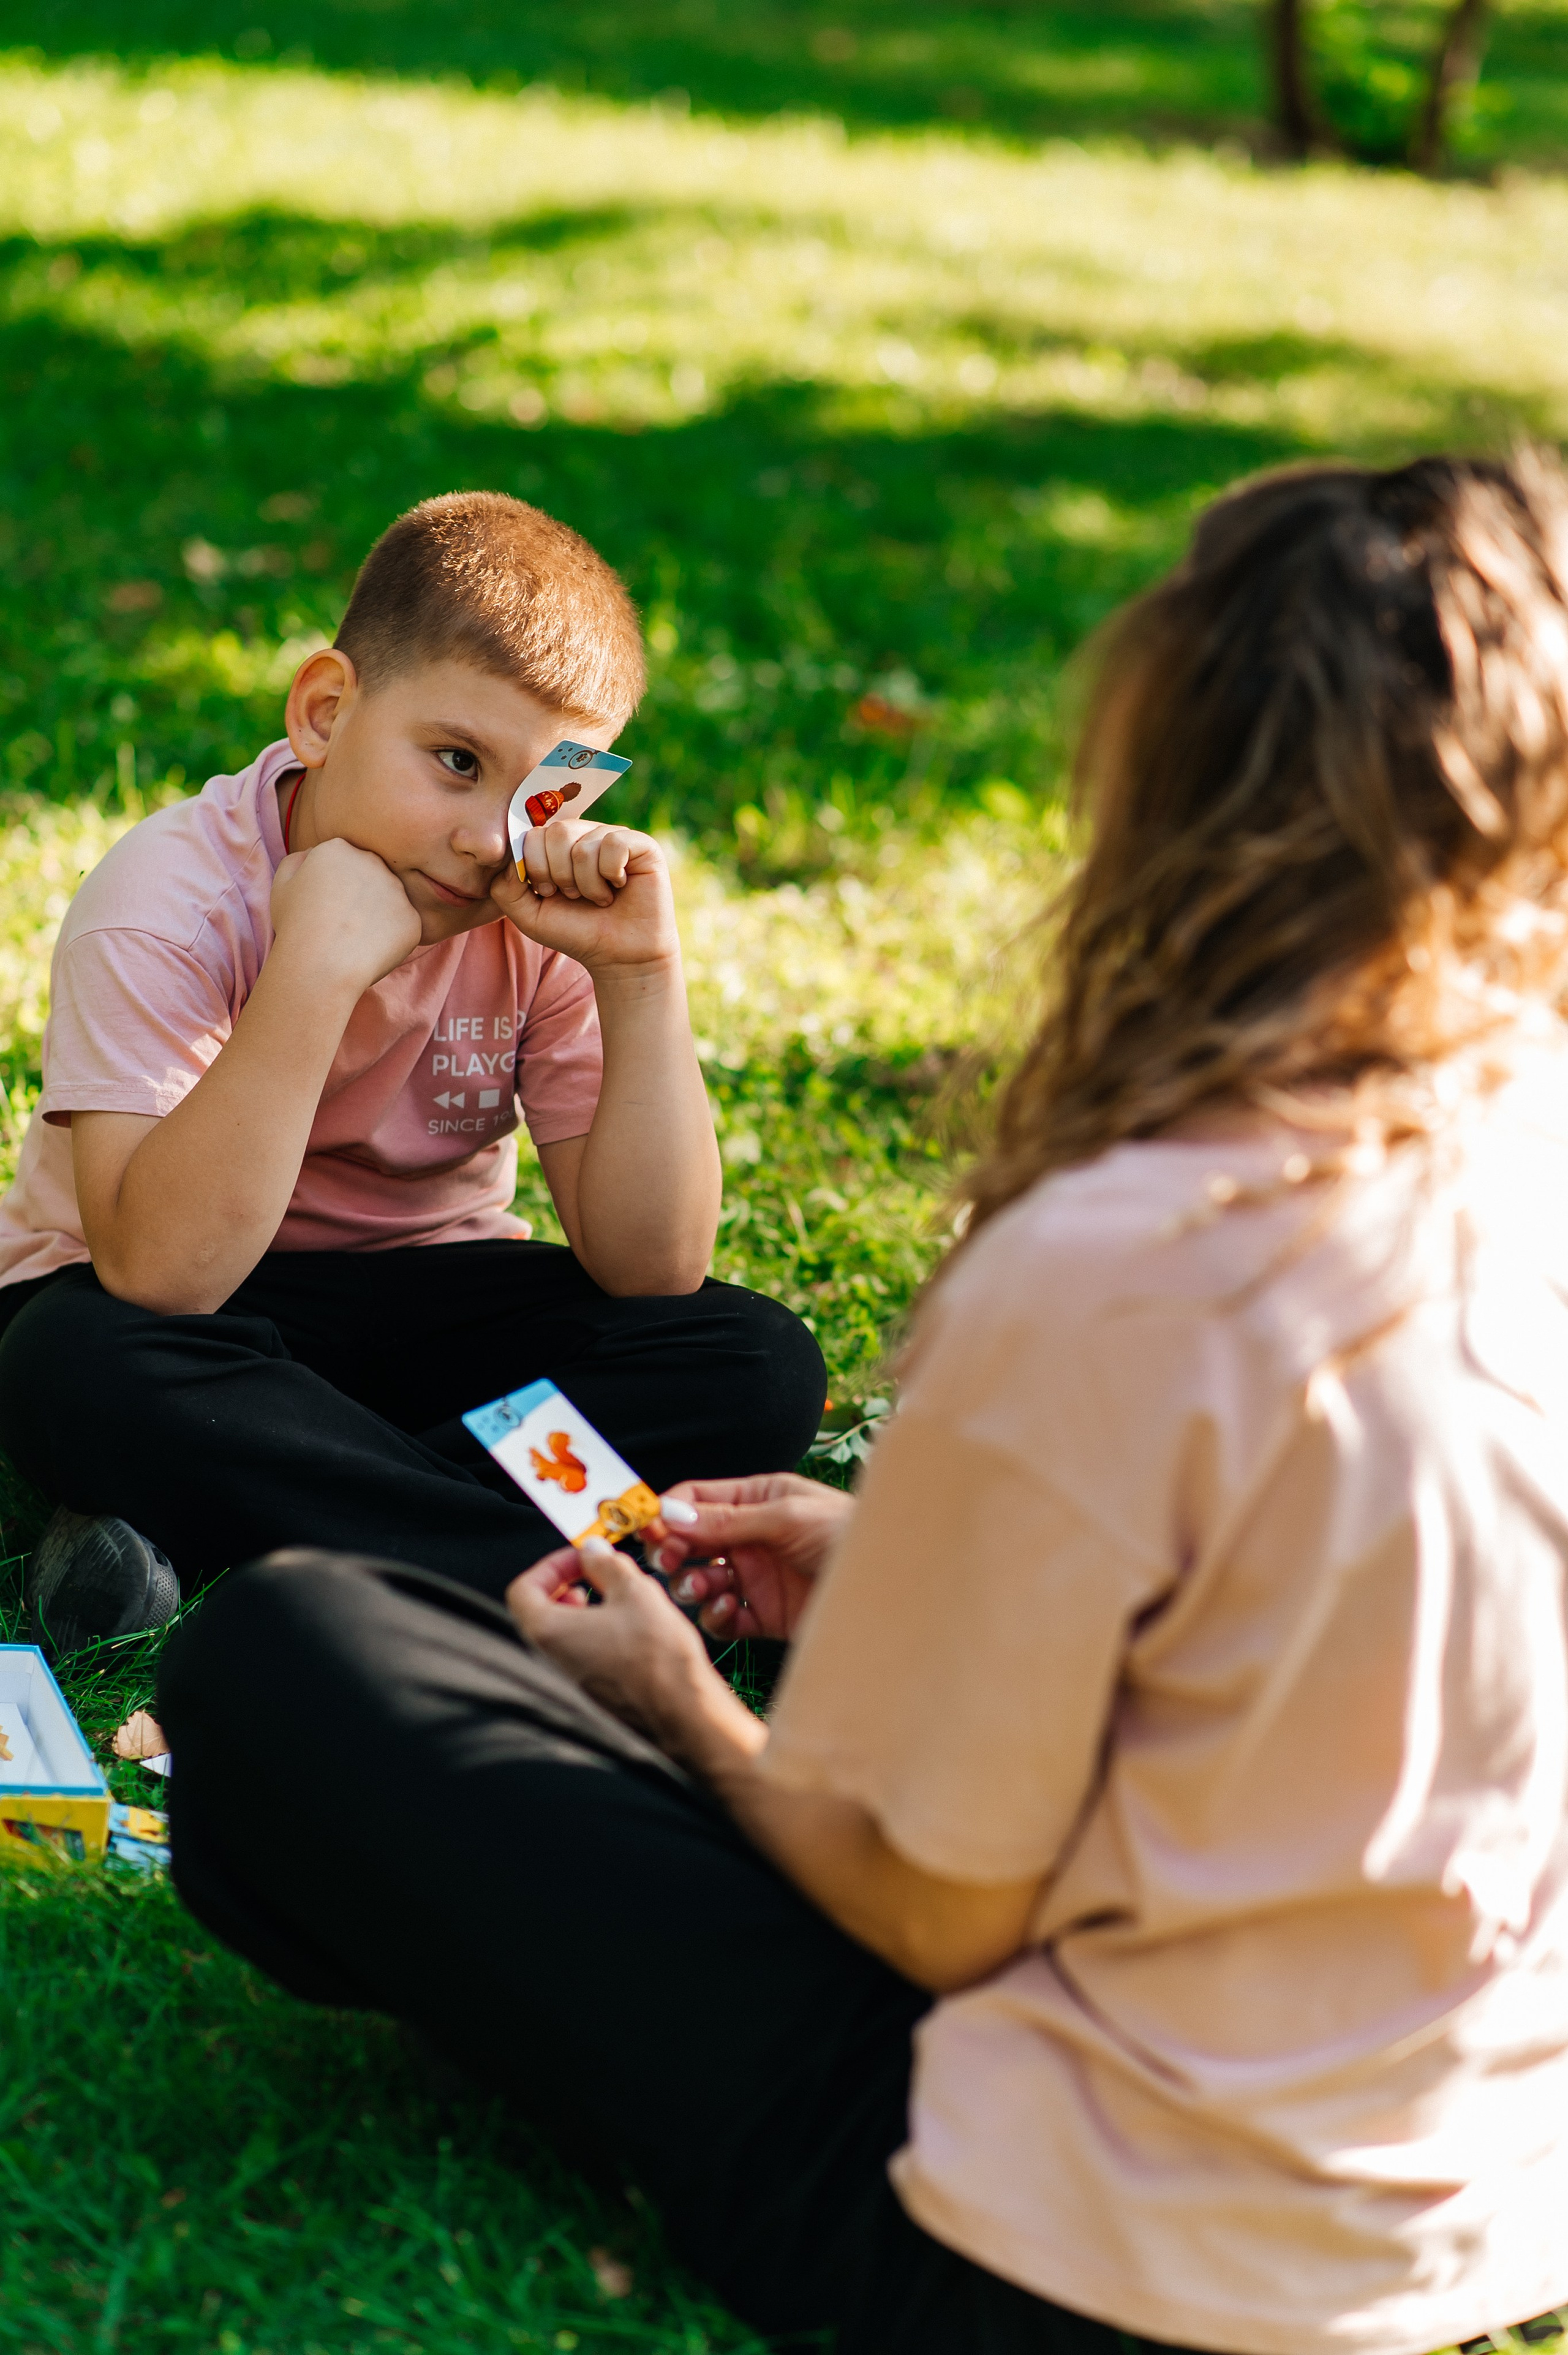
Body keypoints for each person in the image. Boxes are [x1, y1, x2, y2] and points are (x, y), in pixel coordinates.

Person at [159, 453, 1568, 2354]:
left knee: (283, 1659)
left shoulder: (1126, 1255)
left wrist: (677, 1709)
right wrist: (905, 1558)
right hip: (1481, 2211)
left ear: (1174, 797)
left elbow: (934, 1912)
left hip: (1075, 2252)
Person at [0, 491, 824, 1654]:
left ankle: (213, 1532)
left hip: (416, 1331)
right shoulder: (166, 907)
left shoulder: (538, 914)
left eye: (546, 794)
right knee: (69, 1368)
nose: (493, 837)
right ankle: (561, 1577)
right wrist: (312, 976)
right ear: (328, 710)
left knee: (755, 1362)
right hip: (193, 1319)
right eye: (454, 761)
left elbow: (654, 1267)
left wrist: (642, 978)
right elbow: (160, 1275)